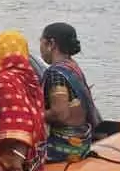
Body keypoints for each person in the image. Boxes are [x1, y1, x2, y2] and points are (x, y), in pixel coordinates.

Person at [0, 31, 47, 171]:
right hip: (35, 162)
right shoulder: (30, 79)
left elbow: (19, 123)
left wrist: (15, 168)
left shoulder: (4, 81)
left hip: (7, 166)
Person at [39, 22, 102, 162]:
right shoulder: (73, 66)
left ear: (52, 44)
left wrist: (30, 115)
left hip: (63, 147)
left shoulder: (55, 73)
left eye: (42, 42)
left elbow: (60, 114)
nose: (41, 48)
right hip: (83, 143)